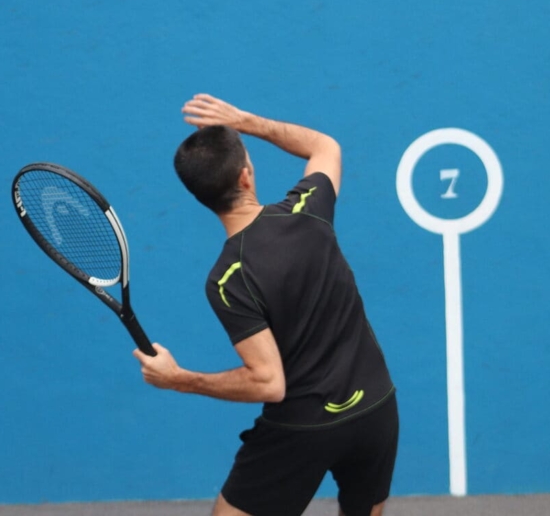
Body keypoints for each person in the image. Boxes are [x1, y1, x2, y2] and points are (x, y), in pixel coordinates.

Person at [133, 94, 398, 516]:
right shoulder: (308, 209)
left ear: (201, 196)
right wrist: (245, 120)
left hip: (302, 428)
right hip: (375, 408)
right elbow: (324, 146)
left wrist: (179, 379)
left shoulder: (227, 280)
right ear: (246, 176)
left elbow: (268, 382)